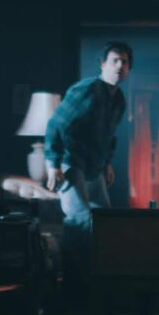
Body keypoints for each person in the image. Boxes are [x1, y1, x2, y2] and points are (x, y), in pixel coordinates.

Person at [44, 41, 132, 296]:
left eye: (124, 62)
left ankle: (100, 283)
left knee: (104, 221)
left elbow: (108, 136)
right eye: (114, 60)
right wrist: (52, 164)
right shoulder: (87, 89)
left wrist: (107, 163)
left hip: (94, 166)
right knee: (80, 221)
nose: (119, 66)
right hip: (70, 162)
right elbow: (55, 125)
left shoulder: (118, 100)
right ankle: (74, 289)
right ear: (103, 65)